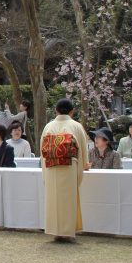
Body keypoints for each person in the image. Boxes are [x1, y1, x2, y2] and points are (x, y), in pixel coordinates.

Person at [40, 99, 90, 242]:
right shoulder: (76, 126)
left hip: (50, 165)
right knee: (68, 199)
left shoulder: (48, 127)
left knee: (53, 199)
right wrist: (84, 164)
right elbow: (82, 147)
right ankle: (67, 233)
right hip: (69, 166)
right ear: (72, 111)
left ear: (56, 110)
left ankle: (55, 231)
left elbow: (42, 152)